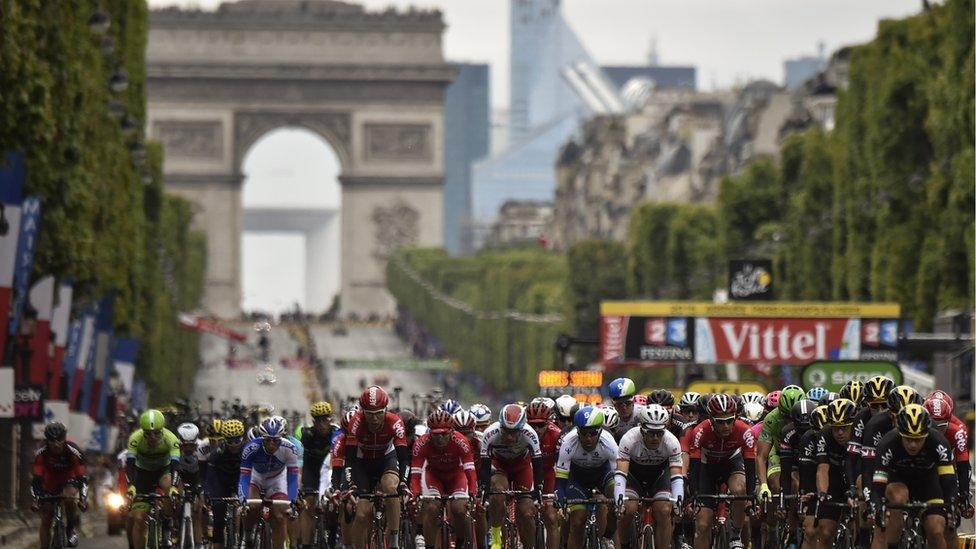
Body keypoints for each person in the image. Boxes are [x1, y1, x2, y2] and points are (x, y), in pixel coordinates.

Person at [870, 404, 957, 549]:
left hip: (928, 483)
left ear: (927, 434)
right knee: (897, 499)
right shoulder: (888, 442)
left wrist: (952, 505)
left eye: (918, 439)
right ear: (900, 433)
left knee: (936, 530)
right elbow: (878, 482)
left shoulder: (938, 442)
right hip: (897, 480)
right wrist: (877, 505)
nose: (913, 445)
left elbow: (948, 479)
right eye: (908, 439)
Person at [342, 386, 409, 548]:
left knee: (391, 488)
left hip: (386, 459)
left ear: (385, 410)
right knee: (362, 513)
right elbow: (349, 459)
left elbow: (403, 457)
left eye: (379, 413)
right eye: (369, 414)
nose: (374, 418)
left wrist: (404, 482)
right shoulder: (355, 423)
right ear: (362, 411)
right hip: (362, 464)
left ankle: (393, 540)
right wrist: (352, 485)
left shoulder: (395, 422)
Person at [688, 394, 756, 549]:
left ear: (736, 417)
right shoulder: (700, 432)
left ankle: (735, 534)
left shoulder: (745, 431)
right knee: (703, 524)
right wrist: (695, 494)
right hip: (706, 467)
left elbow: (750, 466)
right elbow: (695, 468)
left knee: (740, 490)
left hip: (731, 463)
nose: (725, 426)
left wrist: (750, 496)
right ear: (711, 419)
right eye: (720, 422)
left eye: (729, 420)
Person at [615, 404, 683, 549]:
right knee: (628, 509)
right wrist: (619, 497)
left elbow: (677, 476)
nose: (655, 437)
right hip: (634, 477)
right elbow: (621, 473)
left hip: (659, 477)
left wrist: (678, 499)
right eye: (651, 433)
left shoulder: (672, 442)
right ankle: (625, 545)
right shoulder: (629, 439)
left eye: (659, 433)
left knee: (665, 510)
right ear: (641, 430)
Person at [407, 410, 478, 548]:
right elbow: (416, 473)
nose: (440, 439)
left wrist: (473, 492)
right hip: (433, 476)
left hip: (456, 476)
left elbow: (470, 471)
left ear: (452, 431)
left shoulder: (461, 442)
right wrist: (415, 493)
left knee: (459, 509)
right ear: (429, 433)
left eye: (444, 434)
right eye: (436, 435)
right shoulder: (421, 444)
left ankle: (459, 542)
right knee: (432, 508)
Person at [481, 404, 543, 549]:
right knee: (497, 493)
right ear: (500, 426)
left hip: (522, 467)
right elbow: (484, 467)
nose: (509, 437)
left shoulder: (530, 434)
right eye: (506, 431)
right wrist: (483, 491)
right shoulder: (490, 433)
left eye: (514, 432)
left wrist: (537, 493)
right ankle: (496, 538)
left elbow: (538, 466)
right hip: (499, 466)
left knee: (527, 513)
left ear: (521, 429)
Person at [556, 406, 619, 549]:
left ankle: (608, 537)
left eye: (592, 433)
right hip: (577, 478)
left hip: (602, 474)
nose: (588, 438)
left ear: (600, 431)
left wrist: (619, 497)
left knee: (617, 498)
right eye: (584, 433)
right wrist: (560, 499)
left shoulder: (608, 442)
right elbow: (560, 480)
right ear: (577, 431)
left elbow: (620, 476)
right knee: (578, 522)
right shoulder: (568, 442)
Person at [238, 417, 300, 549]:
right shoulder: (251, 447)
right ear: (262, 438)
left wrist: (292, 500)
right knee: (251, 507)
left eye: (276, 441)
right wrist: (243, 499)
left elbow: (292, 478)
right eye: (267, 440)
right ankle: (247, 536)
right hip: (256, 477)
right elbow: (244, 477)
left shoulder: (290, 448)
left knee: (279, 516)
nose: (272, 444)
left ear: (282, 438)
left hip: (277, 479)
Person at [126, 410, 181, 549]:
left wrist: (174, 486)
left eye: (157, 432)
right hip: (142, 474)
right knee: (138, 519)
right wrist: (131, 485)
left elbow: (175, 465)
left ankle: (168, 524)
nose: (152, 437)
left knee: (170, 486)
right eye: (148, 433)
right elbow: (130, 465)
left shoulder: (171, 439)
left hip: (163, 471)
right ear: (142, 431)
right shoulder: (135, 438)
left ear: (162, 429)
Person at [32, 422, 88, 548]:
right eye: (52, 440)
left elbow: (82, 478)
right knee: (46, 517)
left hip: (69, 479)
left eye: (59, 440)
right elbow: (36, 479)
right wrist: (36, 500)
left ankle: (70, 529)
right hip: (49, 482)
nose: (56, 444)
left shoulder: (73, 451)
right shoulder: (41, 452)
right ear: (47, 440)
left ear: (65, 438)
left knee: (69, 497)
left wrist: (83, 499)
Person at [813, 398, 859, 549]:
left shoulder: (861, 433)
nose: (839, 433)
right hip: (833, 480)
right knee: (825, 532)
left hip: (856, 478)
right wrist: (822, 493)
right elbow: (822, 469)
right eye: (835, 428)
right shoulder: (824, 434)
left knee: (861, 526)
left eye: (844, 428)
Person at [297, 401, 339, 549]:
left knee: (333, 503)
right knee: (308, 503)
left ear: (330, 420)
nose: (322, 424)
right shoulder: (307, 435)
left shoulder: (337, 433)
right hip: (312, 471)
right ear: (314, 421)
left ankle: (333, 534)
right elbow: (300, 461)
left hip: (330, 471)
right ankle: (307, 544)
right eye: (318, 421)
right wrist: (300, 483)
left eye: (325, 420)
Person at [527, 400, 562, 549]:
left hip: (549, 474)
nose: (536, 429)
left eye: (541, 425)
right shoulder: (522, 434)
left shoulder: (557, 435)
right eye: (532, 425)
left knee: (552, 517)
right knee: (526, 512)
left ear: (549, 423)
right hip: (528, 473)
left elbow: (562, 466)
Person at [205, 419, 246, 549]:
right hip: (221, 483)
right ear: (224, 440)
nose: (233, 445)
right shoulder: (217, 453)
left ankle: (243, 539)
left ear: (242, 438)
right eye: (230, 441)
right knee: (218, 520)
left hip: (240, 481)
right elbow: (210, 477)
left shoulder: (248, 451)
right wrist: (207, 493)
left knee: (244, 513)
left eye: (237, 441)